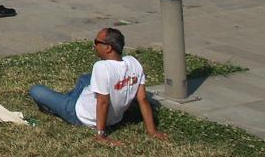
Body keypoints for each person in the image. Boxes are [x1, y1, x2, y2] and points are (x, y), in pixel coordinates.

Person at [30, 27, 167, 141]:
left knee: (36, 90)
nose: (94, 45)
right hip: (113, 117)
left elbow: (103, 102)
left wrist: (101, 134)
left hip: (80, 114)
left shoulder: (101, 67)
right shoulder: (133, 63)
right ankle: (69, 97)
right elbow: (142, 99)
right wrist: (152, 131)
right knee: (85, 79)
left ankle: (60, 106)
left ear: (108, 48)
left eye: (97, 42)